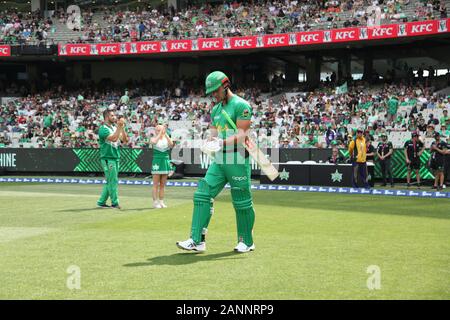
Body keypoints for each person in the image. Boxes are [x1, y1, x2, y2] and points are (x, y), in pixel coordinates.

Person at [177, 71, 256, 253]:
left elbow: (242, 134)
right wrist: (209, 141)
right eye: (211, 92)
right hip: (220, 158)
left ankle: (247, 241)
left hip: (237, 157)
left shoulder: (241, 105)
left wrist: (221, 142)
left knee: (242, 201)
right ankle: (197, 240)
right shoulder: (216, 109)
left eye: (215, 90)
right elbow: (213, 132)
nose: (213, 95)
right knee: (202, 193)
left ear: (225, 86)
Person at [96, 110, 128, 209]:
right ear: (106, 117)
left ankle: (101, 202)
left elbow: (125, 140)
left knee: (110, 181)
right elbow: (114, 138)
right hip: (107, 158)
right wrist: (119, 127)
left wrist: (122, 128)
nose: (115, 117)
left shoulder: (115, 127)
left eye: (114, 115)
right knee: (113, 181)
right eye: (112, 115)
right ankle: (115, 203)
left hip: (115, 157)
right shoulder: (103, 129)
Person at [150, 124, 174, 208]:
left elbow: (171, 144)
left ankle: (161, 201)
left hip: (165, 161)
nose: (159, 131)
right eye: (157, 130)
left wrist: (165, 133)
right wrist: (160, 133)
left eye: (160, 129)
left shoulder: (166, 139)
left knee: (163, 185)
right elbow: (153, 142)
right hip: (157, 162)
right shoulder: (153, 138)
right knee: (155, 184)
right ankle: (155, 202)